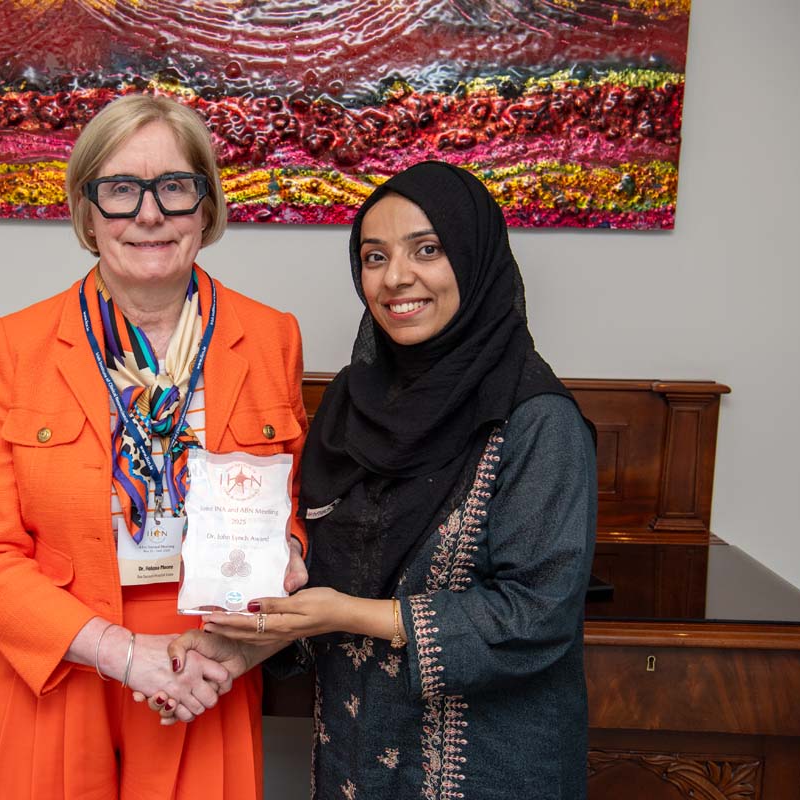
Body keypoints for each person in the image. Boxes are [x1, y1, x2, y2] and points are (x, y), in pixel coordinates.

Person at [160, 161, 597, 799]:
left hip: (485, 767)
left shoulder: (536, 420)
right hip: (356, 759)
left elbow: (536, 613)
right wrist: (243, 649)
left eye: (428, 249)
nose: (395, 277)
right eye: (374, 256)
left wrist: (348, 614)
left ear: (476, 260)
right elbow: (328, 571)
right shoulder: (351, 406)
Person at [0, 93, 309, 800]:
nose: (149, 215)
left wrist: (286, 558)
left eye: (174, 187)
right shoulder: (17, 345)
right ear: (87, 213)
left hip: (206, 664)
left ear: (206, 207)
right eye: (120, 190)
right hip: (58, 663)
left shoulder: (272, 338)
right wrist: (118, 652)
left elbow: (289, 508)